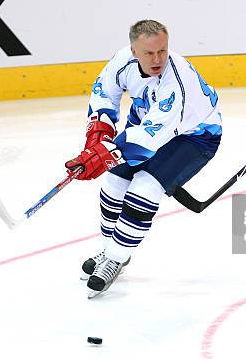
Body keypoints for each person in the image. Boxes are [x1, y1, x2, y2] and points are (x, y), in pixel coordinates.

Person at [65, 20, 222, 296]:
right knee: (113, 184)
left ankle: (114, 258)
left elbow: (150, 137)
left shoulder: (176, 81)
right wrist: (97, 138)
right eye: (149, 53)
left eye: (163, 50)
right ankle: (112, 250)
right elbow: (104, 94)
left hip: (195, 136)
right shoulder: (122, 61)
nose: (158, 58)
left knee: (144, 189)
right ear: (134, 50)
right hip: (148, 128)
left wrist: (102, 156)